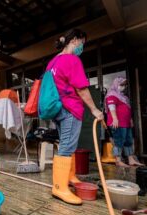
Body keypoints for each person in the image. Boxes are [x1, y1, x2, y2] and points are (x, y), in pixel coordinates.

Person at [46, 29, 104, 205]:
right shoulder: (72, 59)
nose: (82, 48)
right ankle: (59, 187)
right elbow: (81, 88)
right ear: (75, 40)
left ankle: (70, 177)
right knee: (66, 147)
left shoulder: (53, 62)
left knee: (68, 144)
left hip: (58, 109)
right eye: (82, 43)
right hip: (70, 109)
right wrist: (94, 109)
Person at [105, 77, 144, 167]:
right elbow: (111, 107)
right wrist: (115, 119)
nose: (124, 86)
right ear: (116, 84)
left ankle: (131, 160)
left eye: (125, 85)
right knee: (118, 141)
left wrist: (130, 120)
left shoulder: (123, 97)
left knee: (128, 141)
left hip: (126, 123)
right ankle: (118, 160)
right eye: (121, 84)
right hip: (117, 123)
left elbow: (127, 110)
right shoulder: (112, 95)